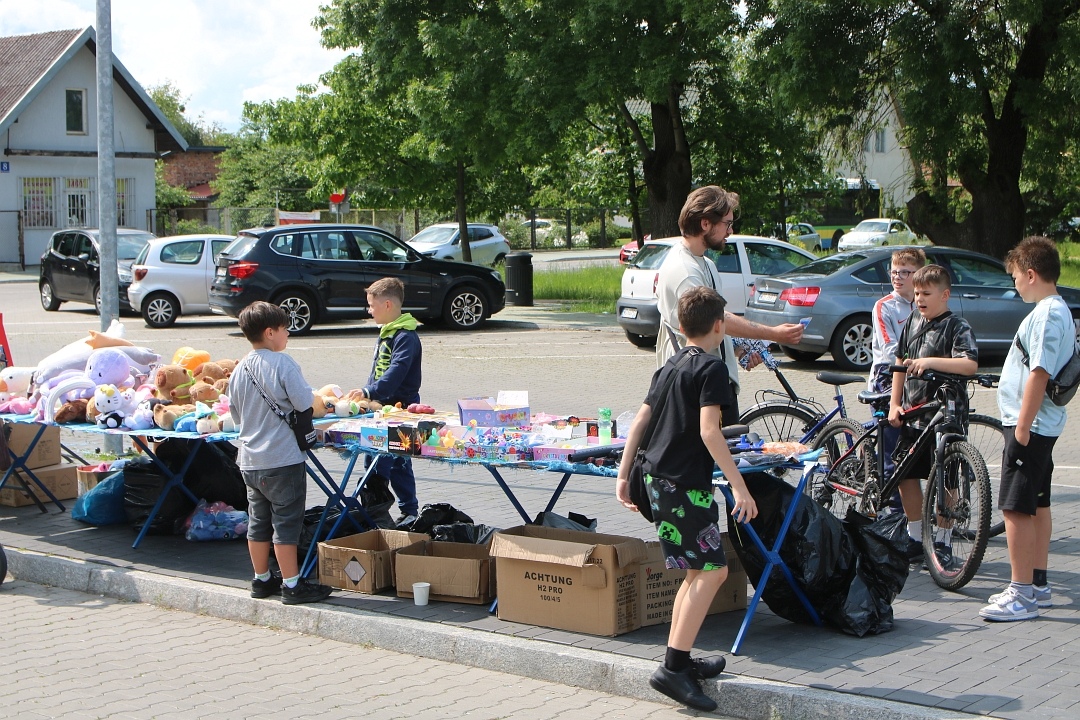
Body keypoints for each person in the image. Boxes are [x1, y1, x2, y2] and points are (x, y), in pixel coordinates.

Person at [616, 286, 758, 712]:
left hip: (658, 479)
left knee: (698, 570)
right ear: (719, 326)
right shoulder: (712, 368)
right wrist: (739, 485)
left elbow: (640, 420)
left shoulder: (672, 363)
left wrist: (623, 474)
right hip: (683, 485)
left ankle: (678, 660)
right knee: (713, 571)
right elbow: (710, 432)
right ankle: (672, 670)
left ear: (680, 326)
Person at [980, 236, 1071, 622]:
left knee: (1015, 507)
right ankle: (1038, 584)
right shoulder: (1058, 309)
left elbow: (1039, 372)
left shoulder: (1047, 314)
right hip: (1041, 426)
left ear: (1031, 274)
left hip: (1029, 426)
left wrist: (1022, 426)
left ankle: (1021, 595)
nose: (1014, 283)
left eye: (1016, 276)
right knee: (1038, 503)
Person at [656, 185, 805, 421]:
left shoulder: (705, 264)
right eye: (727, 223)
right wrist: (774, 333)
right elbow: (717, 319)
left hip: (711, 383)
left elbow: (712, 326)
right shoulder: (684, 271)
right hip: (694, 390)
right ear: (705, 223)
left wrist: (737, 349)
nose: (730, 231)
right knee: (714, 444)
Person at [229, 301, 334, 605]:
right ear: (270, 332)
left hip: (250, 461)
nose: (288, 333)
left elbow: (235, 416)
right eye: (285, 328)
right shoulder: (282, 363)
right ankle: (292, 585)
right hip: (282, 458)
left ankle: (261, 579)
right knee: (286, 523)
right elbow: (303, 403)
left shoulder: (238, 369)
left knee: (258, 522)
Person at [888, 265, 978, 565]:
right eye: (916, 294)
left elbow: (969, 365)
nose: (920, 299)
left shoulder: (957, 326)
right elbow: (900, 361)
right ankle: (916, 538)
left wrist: (930, 362)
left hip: (946, 416)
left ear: (945, 295)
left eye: (926, 293)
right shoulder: (913, 320)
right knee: (905, 474)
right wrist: (895, 403)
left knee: (946, 480)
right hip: (913, 413)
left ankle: (943, 541)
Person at [351, 277, 423, 526]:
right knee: (380, 459)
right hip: (381, 409)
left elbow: (395, 372)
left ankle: (396, 512)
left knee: (394, 462)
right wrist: (368, 394)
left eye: (372, 305)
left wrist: (369, 391)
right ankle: (383, 511)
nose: (369, 311)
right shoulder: (388, 332)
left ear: (388, 304)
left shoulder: (406, 336)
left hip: (402, 409)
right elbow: (378, 372)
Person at [869, 248, 926, 511]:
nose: (897, 277)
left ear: (919, 274)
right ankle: (894, 513)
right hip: (888, 374)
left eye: (905, 272)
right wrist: (918, 361)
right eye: (894, 272)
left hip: (916, 373)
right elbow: (891, 348)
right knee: (892, 449)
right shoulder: (885, 306)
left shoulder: (924, 303)